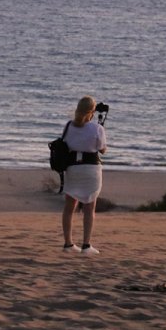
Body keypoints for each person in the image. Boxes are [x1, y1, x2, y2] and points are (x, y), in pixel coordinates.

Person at [60, 96, 107, 255]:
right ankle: (86, 245)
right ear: (92, 112)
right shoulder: (97, 129)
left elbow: (65, 144)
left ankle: (68, 243)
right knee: (89, 207)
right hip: (91, 169)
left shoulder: (68, 126)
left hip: (73, 168)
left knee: (69, 206)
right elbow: (102, 149)